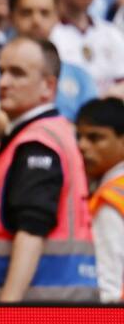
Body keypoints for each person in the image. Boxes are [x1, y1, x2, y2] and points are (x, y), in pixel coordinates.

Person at [0, 37, 97, 301]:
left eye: (17, 73)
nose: (3, 83)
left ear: (48, 86)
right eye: (1, 72)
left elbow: (32, 230)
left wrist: (6, 310)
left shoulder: (38, 142)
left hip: (37, 306)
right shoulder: (51, 132)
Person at [0, 0, 97, 131]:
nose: (36, 20)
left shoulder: (80, 76)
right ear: (11, 16)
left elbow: (93, 132)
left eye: (45, 13)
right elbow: (5, 125)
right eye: (26, 12)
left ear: (57, 17)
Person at [77, 98, 124, 302]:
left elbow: (108, 287)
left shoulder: (110, 199)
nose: (82, 146)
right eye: (79, 137)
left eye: (95, 138)